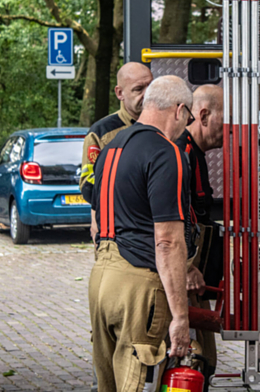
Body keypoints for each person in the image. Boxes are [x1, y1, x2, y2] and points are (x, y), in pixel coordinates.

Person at [88, 75, 195, 392]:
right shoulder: (166, 153)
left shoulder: (111, 149)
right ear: (178, 110)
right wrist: (180, 317)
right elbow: (167, 241)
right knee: (135, 383)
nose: (185, 126)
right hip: (138, 286)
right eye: (187, 116)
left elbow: (97, 218)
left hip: (101, 281)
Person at [175, 85, 224, 389]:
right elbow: (175, 219)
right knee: (194, 359)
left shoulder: (195, 153)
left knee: (205, 359)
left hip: (195, 276)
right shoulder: (182, 153)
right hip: (183, 275)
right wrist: (187, 266)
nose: (230, 128)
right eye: (226, 119)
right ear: (203, 115)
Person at [79, 62, 153, 236]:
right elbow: (88, 184)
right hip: (119, 232)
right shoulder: (102, 133)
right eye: (138, 89)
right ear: (120, 93)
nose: (147, 95)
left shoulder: (169, 126)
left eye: (151, 86)